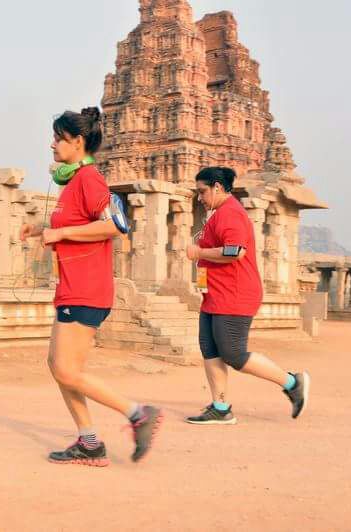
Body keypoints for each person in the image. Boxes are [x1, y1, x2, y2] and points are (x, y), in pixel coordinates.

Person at [20, 107, 162, 466]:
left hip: (87, 289)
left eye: (59, 138)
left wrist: (60, 233)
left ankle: (138, 414)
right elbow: (75, 224)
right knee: (59, 366)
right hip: (71, 288)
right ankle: (89, 442)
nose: (52, 144)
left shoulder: (89, 179)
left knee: (67, 370)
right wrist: (40, 228)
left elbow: (116, 225)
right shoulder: (72, 183)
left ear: (78, 142)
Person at [184, 166, 310, 425]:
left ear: (217, 188)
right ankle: (220, 408)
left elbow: (235, 251)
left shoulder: (231, 213)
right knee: (210, 350)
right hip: (215, 295)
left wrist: (199, 253)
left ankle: (292, 382)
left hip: (235, 294)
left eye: (202, 191)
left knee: (233, 354)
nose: (200, 197)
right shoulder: (218, 214)